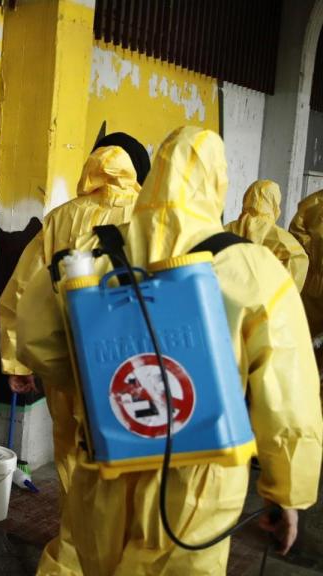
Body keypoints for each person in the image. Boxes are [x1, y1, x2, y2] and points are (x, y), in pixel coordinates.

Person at [18, 126, 322, 575]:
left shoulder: (94, 252)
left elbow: (36, 339)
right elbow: (288, 394)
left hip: (107, 458)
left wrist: (97, 390)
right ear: (218, 184)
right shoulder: (250, 267)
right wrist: (286, 491)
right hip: (199, 478)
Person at [0, 141, 144, 571]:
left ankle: (75, 551)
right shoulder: (151, 218)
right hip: (128, 368)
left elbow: (21, 291)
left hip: (66, 363)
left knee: (71, 457)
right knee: (126, 464)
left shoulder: (61, 218)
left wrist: (18, 361)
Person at [225, 180, 307, 291]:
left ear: (246, 199)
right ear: (274, 204)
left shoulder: (224, 230)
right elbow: (296, 273)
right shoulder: (285, 241)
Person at [289, 187, 323, 342]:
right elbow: (296, 235)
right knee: (307, 335)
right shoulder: (312, 204)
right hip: (313, 281)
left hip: (314, 280)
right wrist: (314, 250)